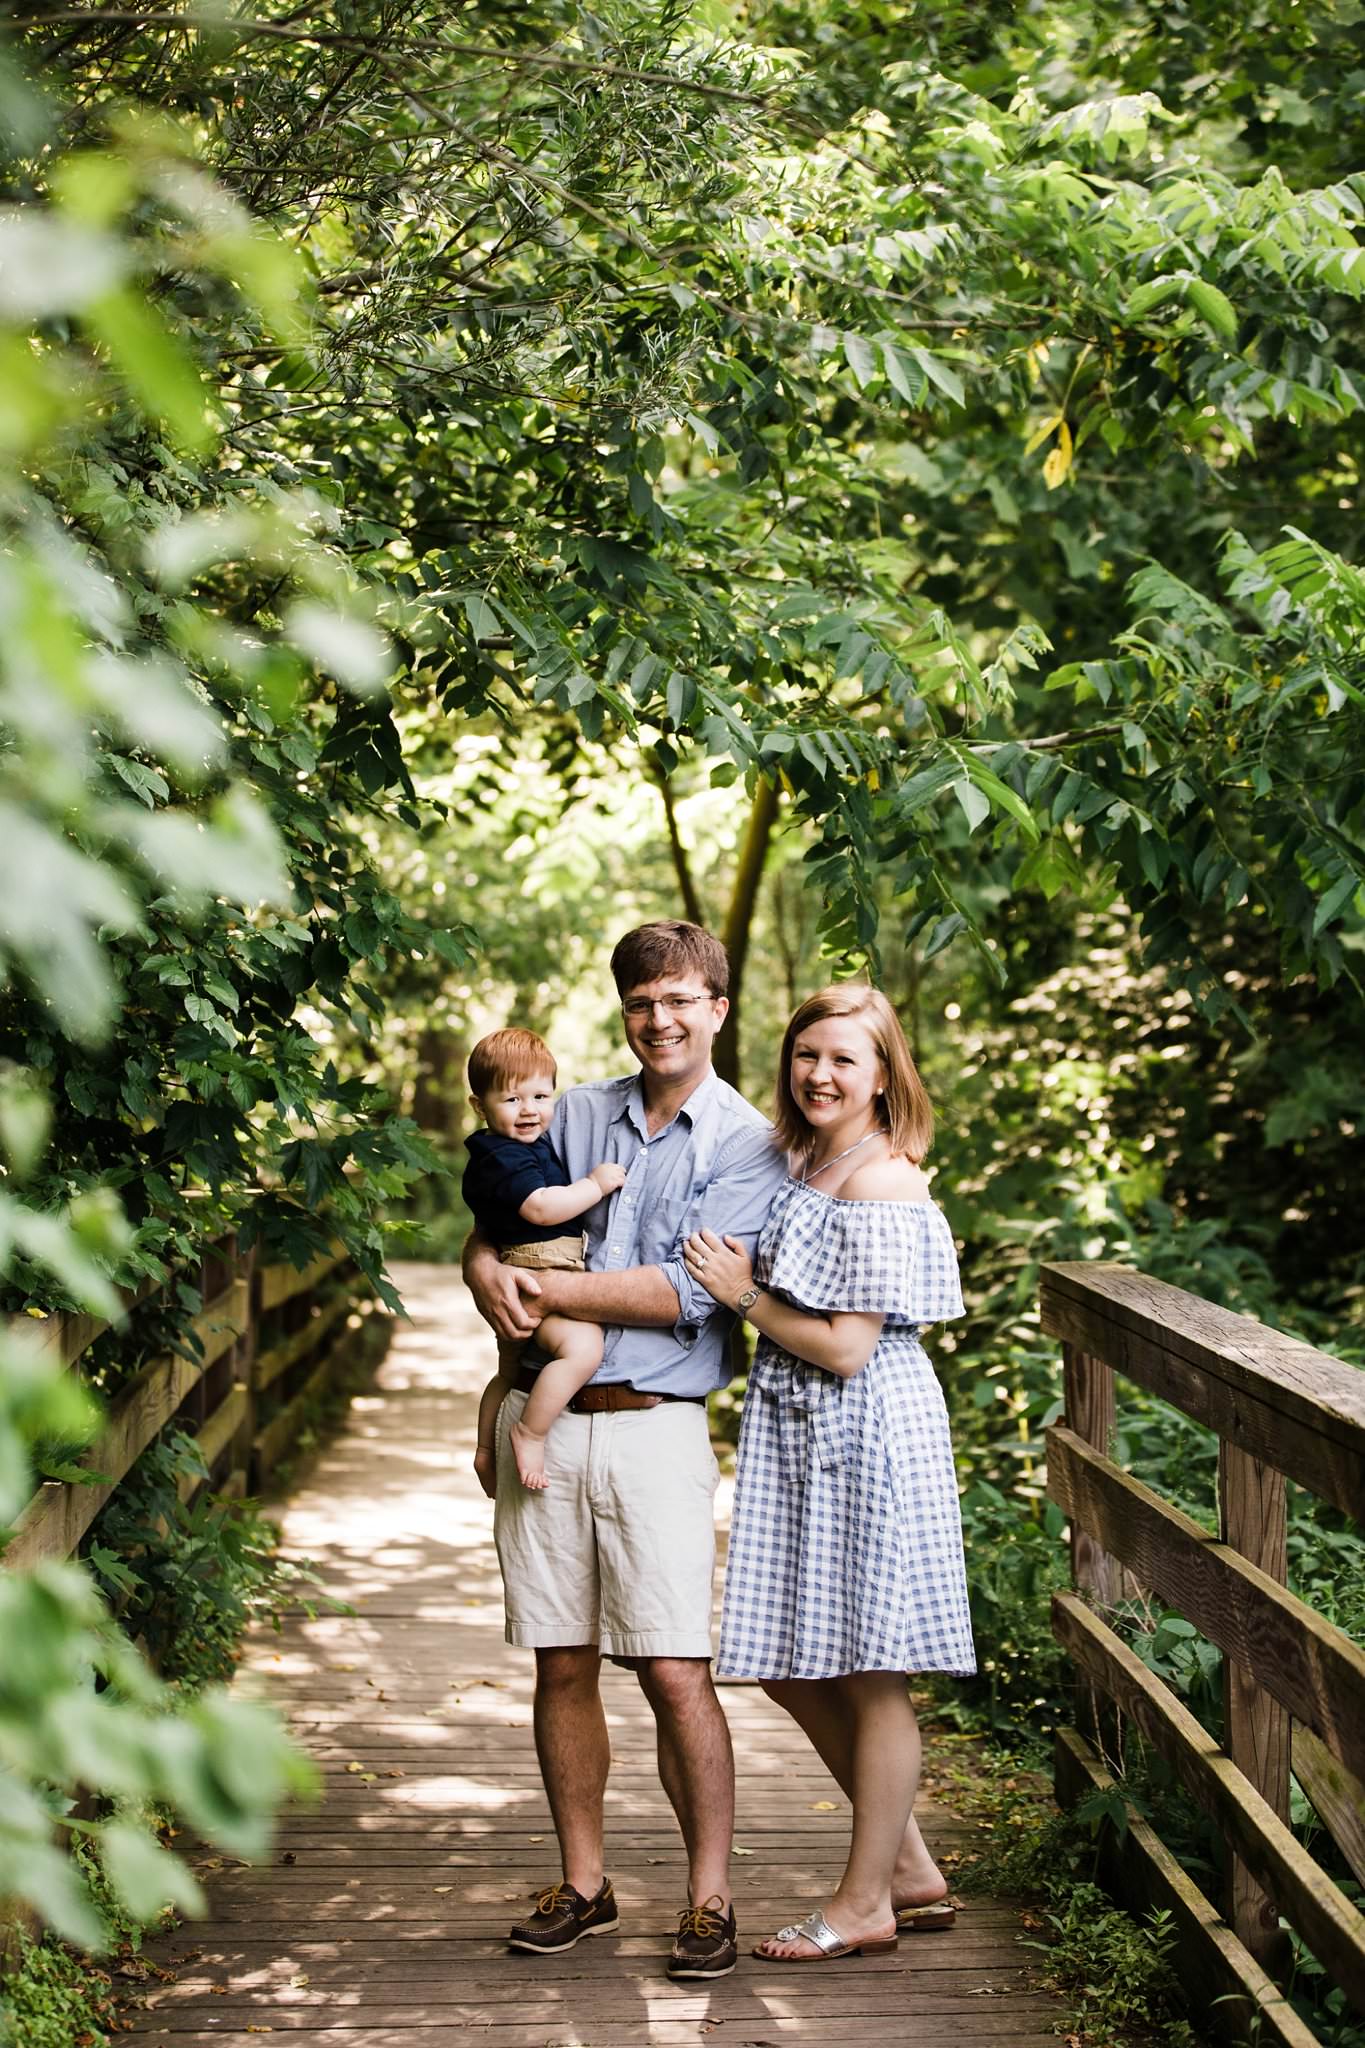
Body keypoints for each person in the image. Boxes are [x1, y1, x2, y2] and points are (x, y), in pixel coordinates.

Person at [463, 920, 789, 1981]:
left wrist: (535, 1285)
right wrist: (479, 1267)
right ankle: (586, 1883)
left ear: (719, 1010)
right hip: (545, 1417)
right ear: (626, 1009)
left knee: (671, 1666)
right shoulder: (578, 1108)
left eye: (682, 999)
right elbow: (500, 1211)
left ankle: (708, 1899)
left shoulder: (746, 1140)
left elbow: (683, 1294)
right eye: (643, 1001)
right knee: (561, 1659)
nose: (661, 1019)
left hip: (657, 1423)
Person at [682, 983, 974, 1965]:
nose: (820, 1073)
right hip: (806, 1431)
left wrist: (744, 1294)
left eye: (844, 1058)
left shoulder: (885, 1180)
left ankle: (863, 1903)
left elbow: (849, 1347)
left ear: (885, 1074)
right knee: (784, 1660)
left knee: (870, 1673)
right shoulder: (812, 1156)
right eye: (807, 1054)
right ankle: (914, 1868)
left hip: (867, 1427)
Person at [463, 1027, 628, 1491]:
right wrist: (594, 1185)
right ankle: (530, 1432)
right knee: (583, 1349)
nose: (530, 1109)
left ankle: (483, 1450)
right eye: (512, 1099)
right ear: (480, 1105)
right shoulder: (503, 1156)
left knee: (509, 1371)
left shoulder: (514, 1148)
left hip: (526, 1262)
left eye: (540, 1095)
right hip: (538, 1269)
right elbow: (540, 1207)